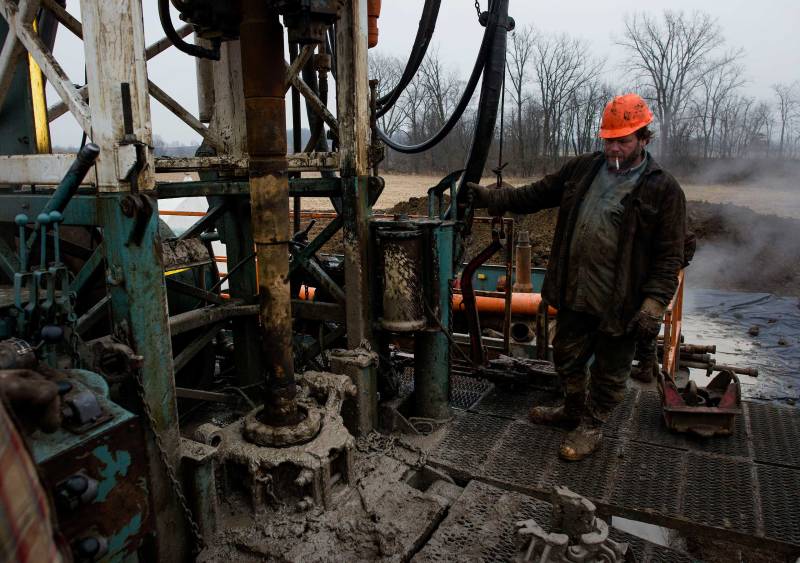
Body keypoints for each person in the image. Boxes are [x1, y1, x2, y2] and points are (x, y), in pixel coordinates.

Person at [469, 93, 687, 461]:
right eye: (609, 139)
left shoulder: (664, 190)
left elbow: (670, 257)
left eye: (624, 140)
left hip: (622, 302)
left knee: (610, 370)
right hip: (574, 291)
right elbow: (535, 195)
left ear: (644, 139)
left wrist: (652, 305)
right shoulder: (584, 169)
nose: (614, 148)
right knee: (566, 355)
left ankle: (592, 425)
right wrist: (494, 199)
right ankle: (571, 408)